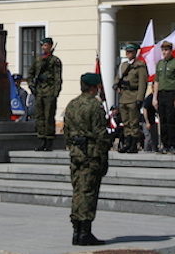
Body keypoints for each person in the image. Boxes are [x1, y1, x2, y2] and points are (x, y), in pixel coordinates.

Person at [64, 73, 110, 246]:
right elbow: (101, 135)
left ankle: (76, 231)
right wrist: (104, 157)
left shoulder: (71, 105)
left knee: (78, 191)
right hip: (91, 155)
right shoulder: (94, 106)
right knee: (88, 193)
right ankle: (85, 232)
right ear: (93, 87)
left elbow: (67, 133)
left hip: (76, 154)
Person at [28, 37, 63, 151]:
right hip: (39, 91)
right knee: (39, 116)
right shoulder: (38, 60)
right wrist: (31, 85)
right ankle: (41, 138)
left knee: (49, 116)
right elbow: (30, 73)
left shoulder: (54, 61)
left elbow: (58, 78)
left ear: (51, 46)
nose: (44, 48)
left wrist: (56, 92)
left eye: (46, 45)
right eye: (42, 46)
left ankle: (49, 140)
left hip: (49, 91)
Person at [115, 43, 148, 153]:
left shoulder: (140, 65)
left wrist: (140, 98)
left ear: (135, 52)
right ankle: (127, 143)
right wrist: (116, 84)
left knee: (134, 122)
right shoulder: (123, 65)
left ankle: (133, 145)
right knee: (125, 122)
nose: (128, 54)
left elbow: (143, 83)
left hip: (133, 96)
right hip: (124, 96)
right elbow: (118, 78)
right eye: (127, 52)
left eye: (130, 52)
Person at [152, 41, 175, 154]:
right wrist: (154, 97)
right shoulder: (160, 64)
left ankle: (173, 145)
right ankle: (165, 145)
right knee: (163, 120)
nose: (164, 52)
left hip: (172, 93)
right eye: (163, 50)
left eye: (166, 50)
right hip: (161, 94)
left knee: (171, 120)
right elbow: (156, 81)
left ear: (171, 51)